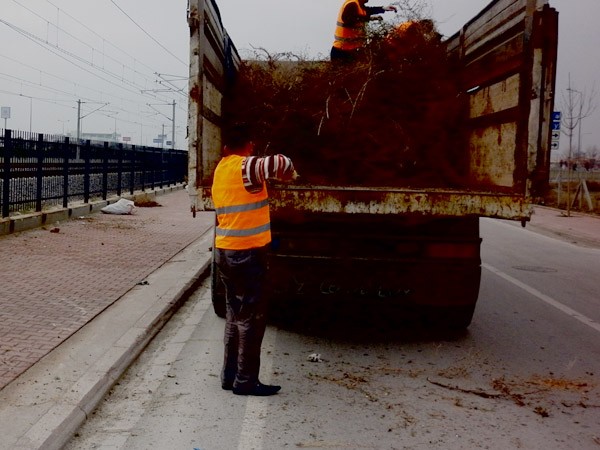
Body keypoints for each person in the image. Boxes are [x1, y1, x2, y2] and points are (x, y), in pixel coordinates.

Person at [211, 123, 298, 396]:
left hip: (225, 251)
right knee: (251, 317)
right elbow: (282, 162)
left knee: (234, 315)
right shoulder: (246, 167)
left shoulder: (221, 168)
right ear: (249, 146)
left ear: (225, 148)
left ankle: (230, 376)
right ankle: (246, 381)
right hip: (247, 253)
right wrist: (291, 175)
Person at [331, 0, 397, 62]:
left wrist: (383, 8)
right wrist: (369, 18)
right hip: (342, 52)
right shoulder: (352, 4)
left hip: (351, 50)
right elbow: (348, 19)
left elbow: (367, 10)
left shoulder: (359, 5)